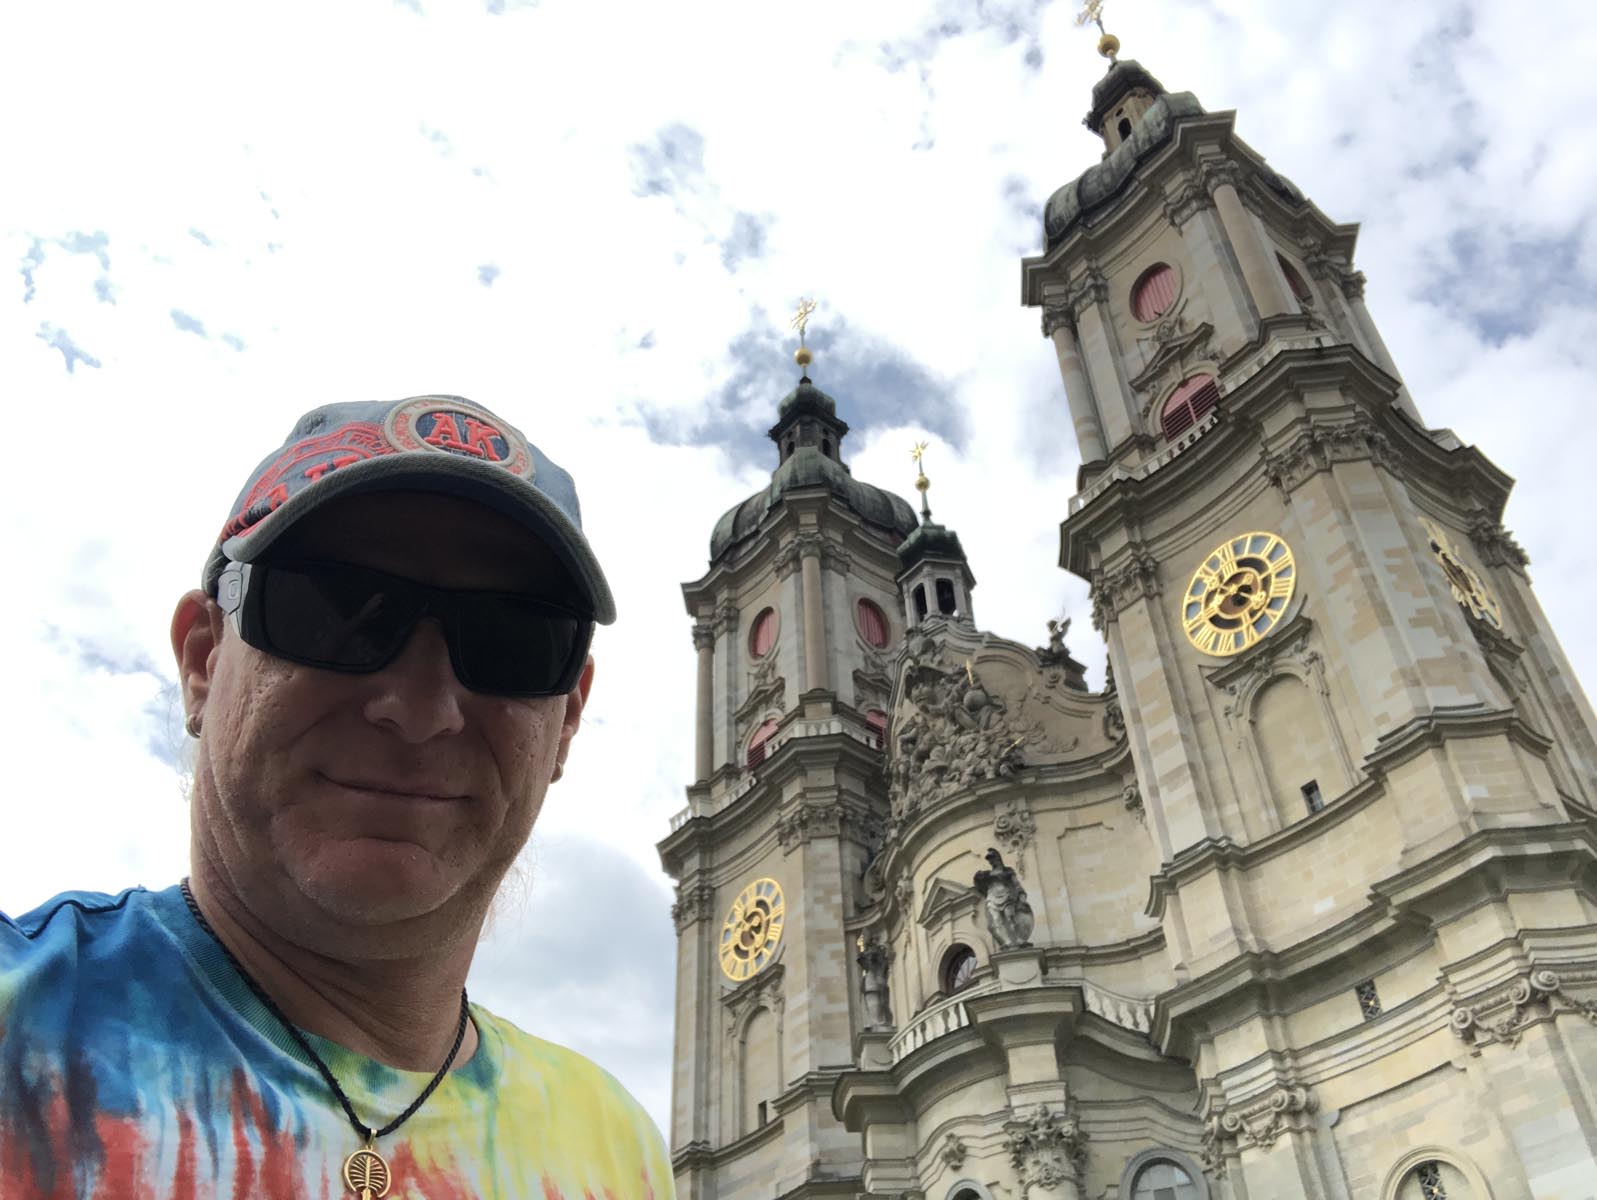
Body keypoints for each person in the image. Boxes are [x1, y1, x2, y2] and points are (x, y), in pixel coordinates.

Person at [0, 396, 673, 1199]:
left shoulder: (620, 1154)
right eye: (338, 609)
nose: (420, 710)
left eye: (515, 640)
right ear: (204, 661)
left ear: (566, 723)